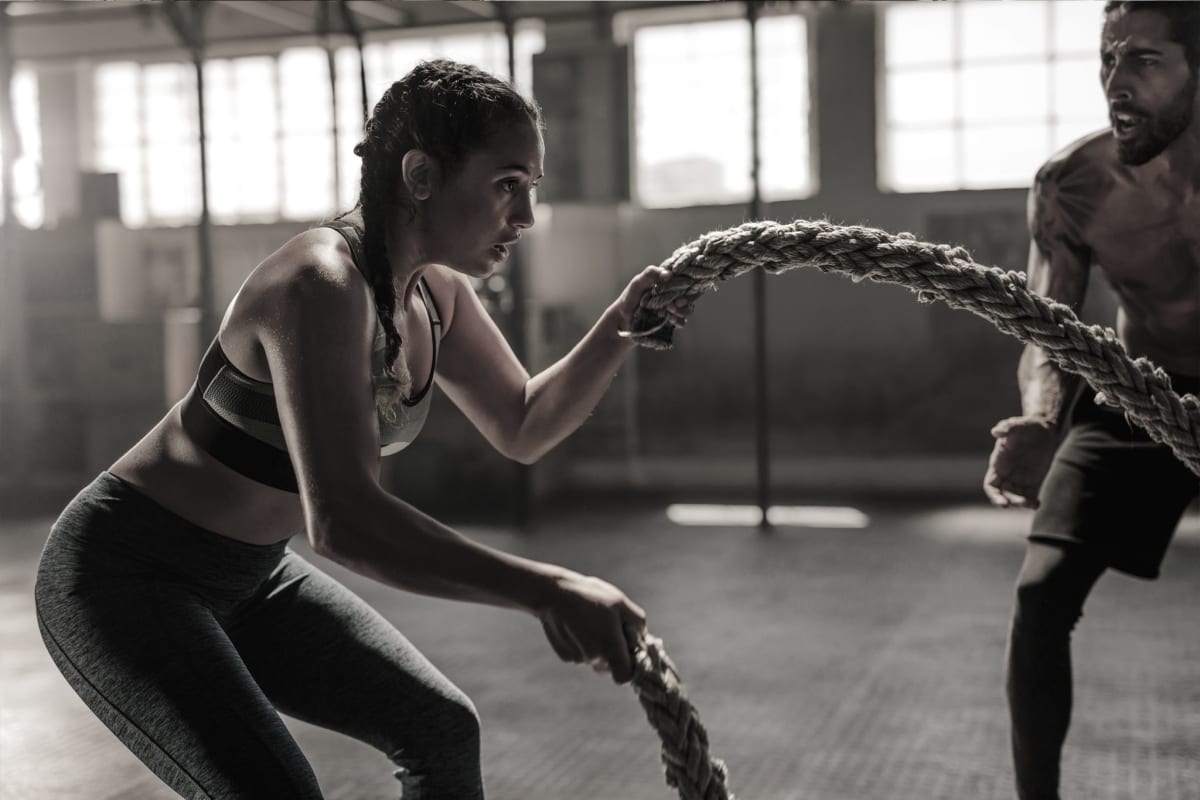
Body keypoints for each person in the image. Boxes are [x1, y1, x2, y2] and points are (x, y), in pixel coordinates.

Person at [34, 59, 691, 799]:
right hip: (127, 576)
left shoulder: (434, 294)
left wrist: (619, 327)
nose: (525, 218)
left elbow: (524, 423)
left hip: (252, 578)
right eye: (507, 184)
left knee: (441, 730)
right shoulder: (319, 283)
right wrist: (549, 589)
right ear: (420, 175)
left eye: (530, 189)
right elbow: (343, 519)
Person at [983, 3, 1200, 798]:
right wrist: (1044, 415)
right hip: (1141, 386)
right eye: (1108, 59)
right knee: (1041, 596)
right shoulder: (1075, 186)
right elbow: (1048, 325)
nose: (1116, 83)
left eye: (1144, 60)